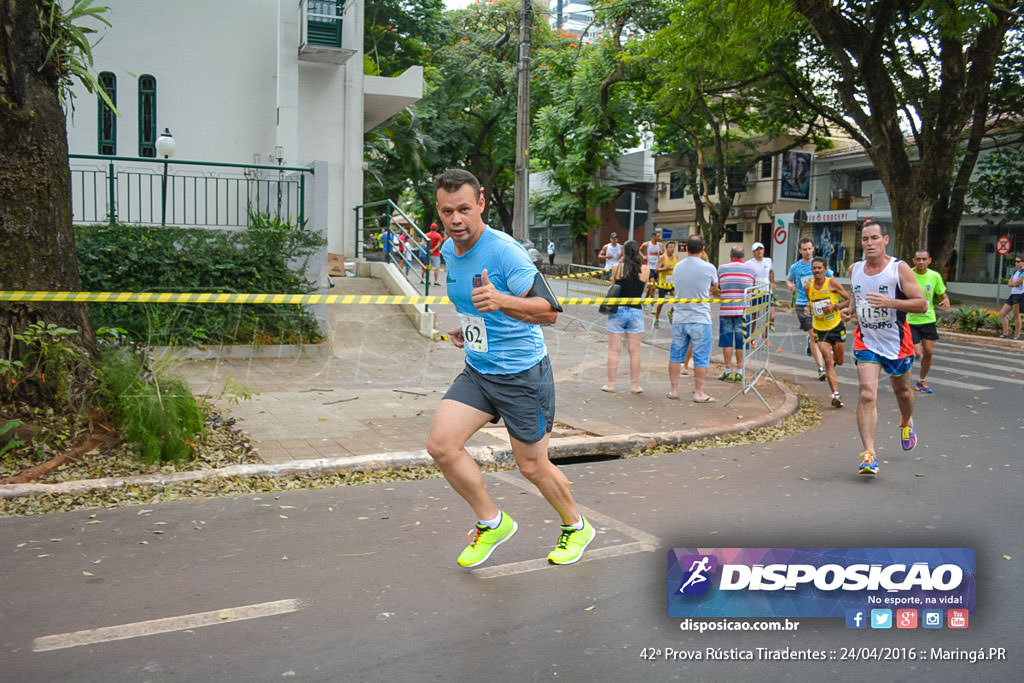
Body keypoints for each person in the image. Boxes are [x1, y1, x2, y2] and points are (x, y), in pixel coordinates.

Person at [425, 169, 594, 568]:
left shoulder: (504, 252)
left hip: (521, 375)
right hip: (480, 369)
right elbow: (476, 304)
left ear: (481, 203)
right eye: (448, 211)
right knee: (442, 446)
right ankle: (492, 522)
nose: (457, 220)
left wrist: (501, 300)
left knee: (532, 465)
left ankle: (576, 525)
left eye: (465, 209)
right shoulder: (449, 250)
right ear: (439, 210)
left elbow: (550, 313)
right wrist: (468, 328)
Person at [841, 220, 927, 477]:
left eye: (874, 238)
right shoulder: (854, 269)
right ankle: (869, 454)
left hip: (897, 343)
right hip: (866, 341)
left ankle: (906, 420)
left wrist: (889, 302)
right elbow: (855, 297)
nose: (869, 243)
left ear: (885, 240)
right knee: (867, 394)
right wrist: (850, 310)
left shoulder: (898, 269)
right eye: (865, 239)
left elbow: (921, 304)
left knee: (903, 392)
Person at [667, 234, 719, 402]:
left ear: (686, 248)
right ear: (703, 248)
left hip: (680, 316)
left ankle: (674, 390)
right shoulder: (709, 267)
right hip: (700, 317)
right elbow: (715, 287)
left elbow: (674, 286)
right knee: (701, 357)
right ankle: (699, 392)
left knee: (675, 355)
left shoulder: (678, 267)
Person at [602, 240, 648, 394]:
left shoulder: (616, 268)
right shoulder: (645, 270)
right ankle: (635, 386)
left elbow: (612, 287)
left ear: (624, 252)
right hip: (636, 311)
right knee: (635, 351)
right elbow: (644, 290)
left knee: (614, 350)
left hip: (618, 311)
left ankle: (611, 384)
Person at [807, 257, 850, 408]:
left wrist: (835, 307)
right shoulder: (808, 287)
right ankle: (836, 395)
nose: (817, 271)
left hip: (836, 326)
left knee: (839, 361)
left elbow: (849, 299)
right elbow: (810, 304)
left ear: (825, 269)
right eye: (814, 268)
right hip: (819, 328)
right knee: (828, 360)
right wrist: (809, 309)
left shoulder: (832, 283)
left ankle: (832, 364)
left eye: (819, 268)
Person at [787, 237, 830, 380]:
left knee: (821, 335)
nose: (807, 252)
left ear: (813, 249)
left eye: (810, 249)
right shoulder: (795, 267)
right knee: (814, 335)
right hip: (802, 303)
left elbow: (831, 278)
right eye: (804, 249)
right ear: (800, 251)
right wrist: (790, 285)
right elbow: (789, 278)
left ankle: (812, 346)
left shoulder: (819, 265)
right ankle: (821, 368)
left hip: (819, 303)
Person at [908, 249, 951, 392]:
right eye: (918, 259)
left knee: (929, 352)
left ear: (929, 260)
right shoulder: (908, 274)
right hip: (910, 320)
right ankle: (901, 376)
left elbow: (941, 294)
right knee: (917, 353)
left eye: (924, 259)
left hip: (928, 319)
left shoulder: (935, 276)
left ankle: (922, 381)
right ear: (914, 261)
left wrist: (945, 301)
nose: (921, 262)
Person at [717, 247, 756, 383]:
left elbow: (719, 287)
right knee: (741, 342)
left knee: (727, 342)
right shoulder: (751, 270)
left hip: (726, 310)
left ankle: (728, 371)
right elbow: (753, 288)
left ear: (730, 256)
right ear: (743, 256)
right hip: (744, 312)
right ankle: (739, 371)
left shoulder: (722, 268)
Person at [745, 242, 776, 329]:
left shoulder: (768, 261)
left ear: (763, 250)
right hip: (755, 293)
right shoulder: (748, 263)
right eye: (757, 250)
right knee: (754, 317)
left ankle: (765, 333)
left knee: (771, 316)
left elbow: (771, 271)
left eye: (761, 249)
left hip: (767, 291)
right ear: (753, 252)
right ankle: (752, 337)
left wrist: (772, 282)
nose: (759, 251)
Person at [653, 240, 679, 329]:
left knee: (678, 299)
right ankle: (656, 319)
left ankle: (670, 312)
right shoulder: (662, 258)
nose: (672, 249)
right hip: (663, 284)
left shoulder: (676, 257)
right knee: (661, 303)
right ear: (667, 248)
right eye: (670, 247)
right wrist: (665, 268)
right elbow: (656, 270)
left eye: (673, 247)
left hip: (672, 284)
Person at [998, 255, 1024, 339]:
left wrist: (1013, 283)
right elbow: (1010, 283)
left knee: (1016, 315)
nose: (1016, 263)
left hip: (1019, 295)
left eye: (1018, 261)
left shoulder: (1023, 272)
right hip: (1012, 295)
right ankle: (1005, 333)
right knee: (1002, 313)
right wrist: (1013, 283)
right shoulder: (1015, 272)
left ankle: (1017, 334)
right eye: (1015, 261)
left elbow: (1018, 283)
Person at [641, 230, 664, 302]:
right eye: (657, 236)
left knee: (651, 287)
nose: (658, 238)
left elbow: (663, 252)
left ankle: (645, 300)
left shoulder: (660, 245)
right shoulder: (647, 244)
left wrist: (661, 253)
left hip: (656, 268)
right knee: (653, 287)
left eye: (659, 236)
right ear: (653, 236)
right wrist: (643, 256)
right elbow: (639, 250)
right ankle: (652, 305)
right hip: (649, 267)